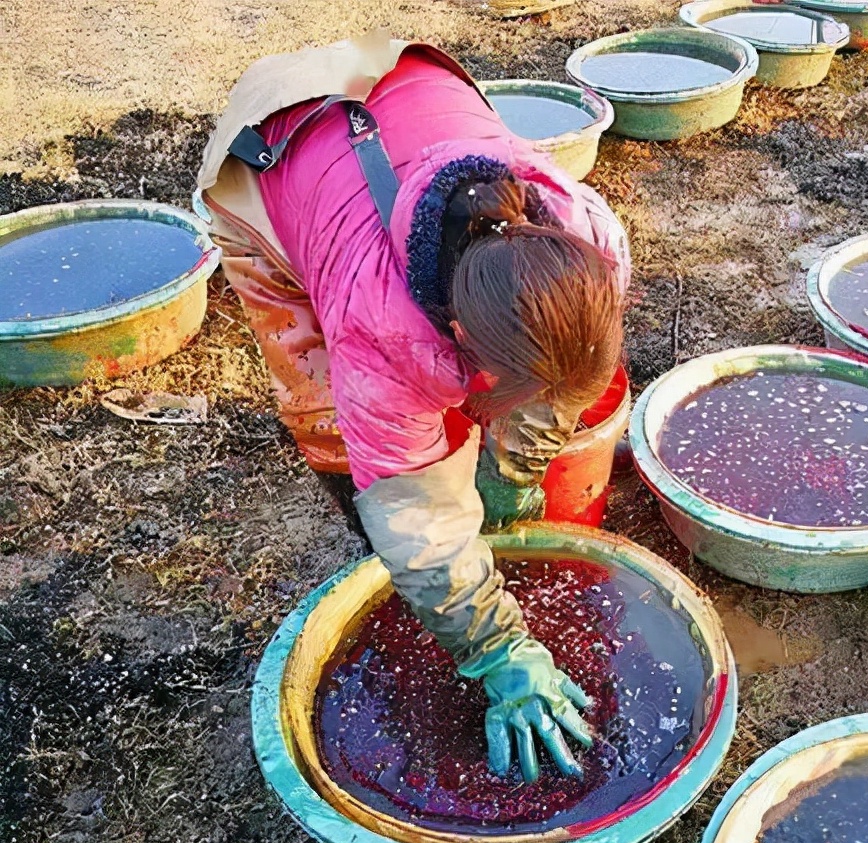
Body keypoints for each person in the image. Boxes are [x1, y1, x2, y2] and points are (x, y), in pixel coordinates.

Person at [194, 32, 630, 783]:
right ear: (459, 334)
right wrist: (497, 651)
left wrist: (515, 464)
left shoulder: (589, 238)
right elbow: (420, 517)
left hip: (404, 81)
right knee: (334, 417)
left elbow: (570, 373)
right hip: (272, 149)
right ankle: (373, 537)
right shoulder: (381, 329)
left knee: (516, 389)